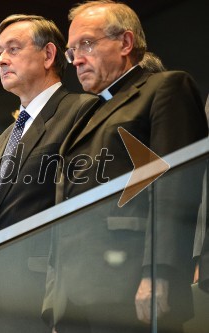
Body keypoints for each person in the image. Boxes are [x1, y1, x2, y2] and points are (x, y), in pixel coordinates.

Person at [43, 1, 208, 332]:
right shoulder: (89, 112)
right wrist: (54, 296)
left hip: (130, 285)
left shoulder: (165, 89)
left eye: (86, 44)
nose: (75, 59)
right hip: (74, 297)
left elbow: (174, 189)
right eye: (71, 50)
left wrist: (158, 273)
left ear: (126, 43)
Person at [0, 14, 98, 333]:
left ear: (48, 55)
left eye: (13, 48)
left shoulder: (82, 111)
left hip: (49, 297)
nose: (0, 59)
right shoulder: (3, 139)